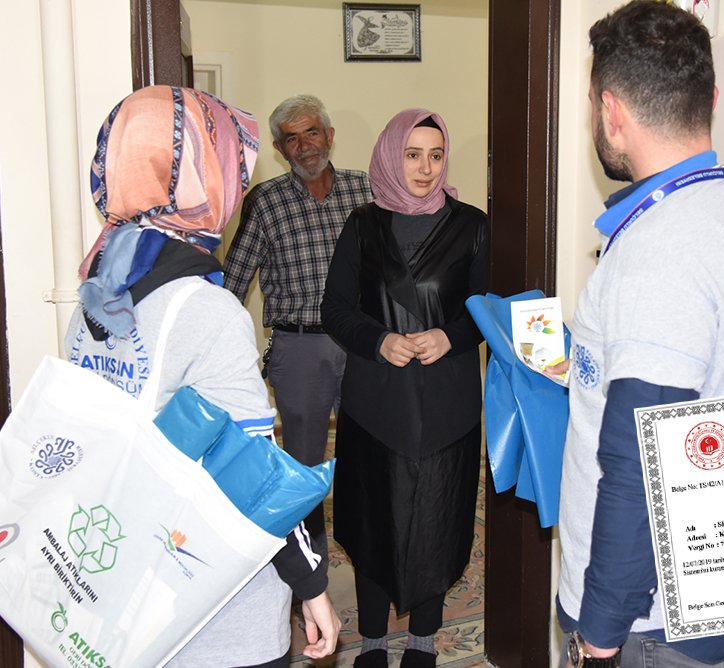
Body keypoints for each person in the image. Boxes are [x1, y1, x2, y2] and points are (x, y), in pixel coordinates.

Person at [553, 3, 724, 668]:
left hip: (644, 623)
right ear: (710, 100)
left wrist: (602, 636)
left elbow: (640, 460)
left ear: (611, 111)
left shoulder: (661, 253)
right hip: (719, 587)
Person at [66, 86, 340, 668]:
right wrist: (312, 584)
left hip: (125, 585)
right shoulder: (206, 309)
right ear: (195, 174)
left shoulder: (96, 293)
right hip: (218, 610)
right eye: (228, 164)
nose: (236, 183)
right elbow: (253, 475)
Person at [320, 109, 487, 668]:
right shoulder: (362, 225)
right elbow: (335, 309)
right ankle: (370, 641)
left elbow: (488, 310)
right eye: (413, 154)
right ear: (393, 156)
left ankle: (422, 642)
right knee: (373, 518)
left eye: (436, 155)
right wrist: (377, 341)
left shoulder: (472, 225)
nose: (425, 168)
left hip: (447, 403)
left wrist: (450, 335)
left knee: (437, 520)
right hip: (376, 403)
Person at [222, 95, 372, 489]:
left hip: (364, 345)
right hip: (301, 349)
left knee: (369, 454)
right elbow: (231, 284)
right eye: (292, 139)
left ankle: (366, 546)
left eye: (312, 133)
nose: (305, 147)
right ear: (278, 148)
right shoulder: (265, 202)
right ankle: (307, 551)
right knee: (301, 467)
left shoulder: (367, 191)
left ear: (329, 136)